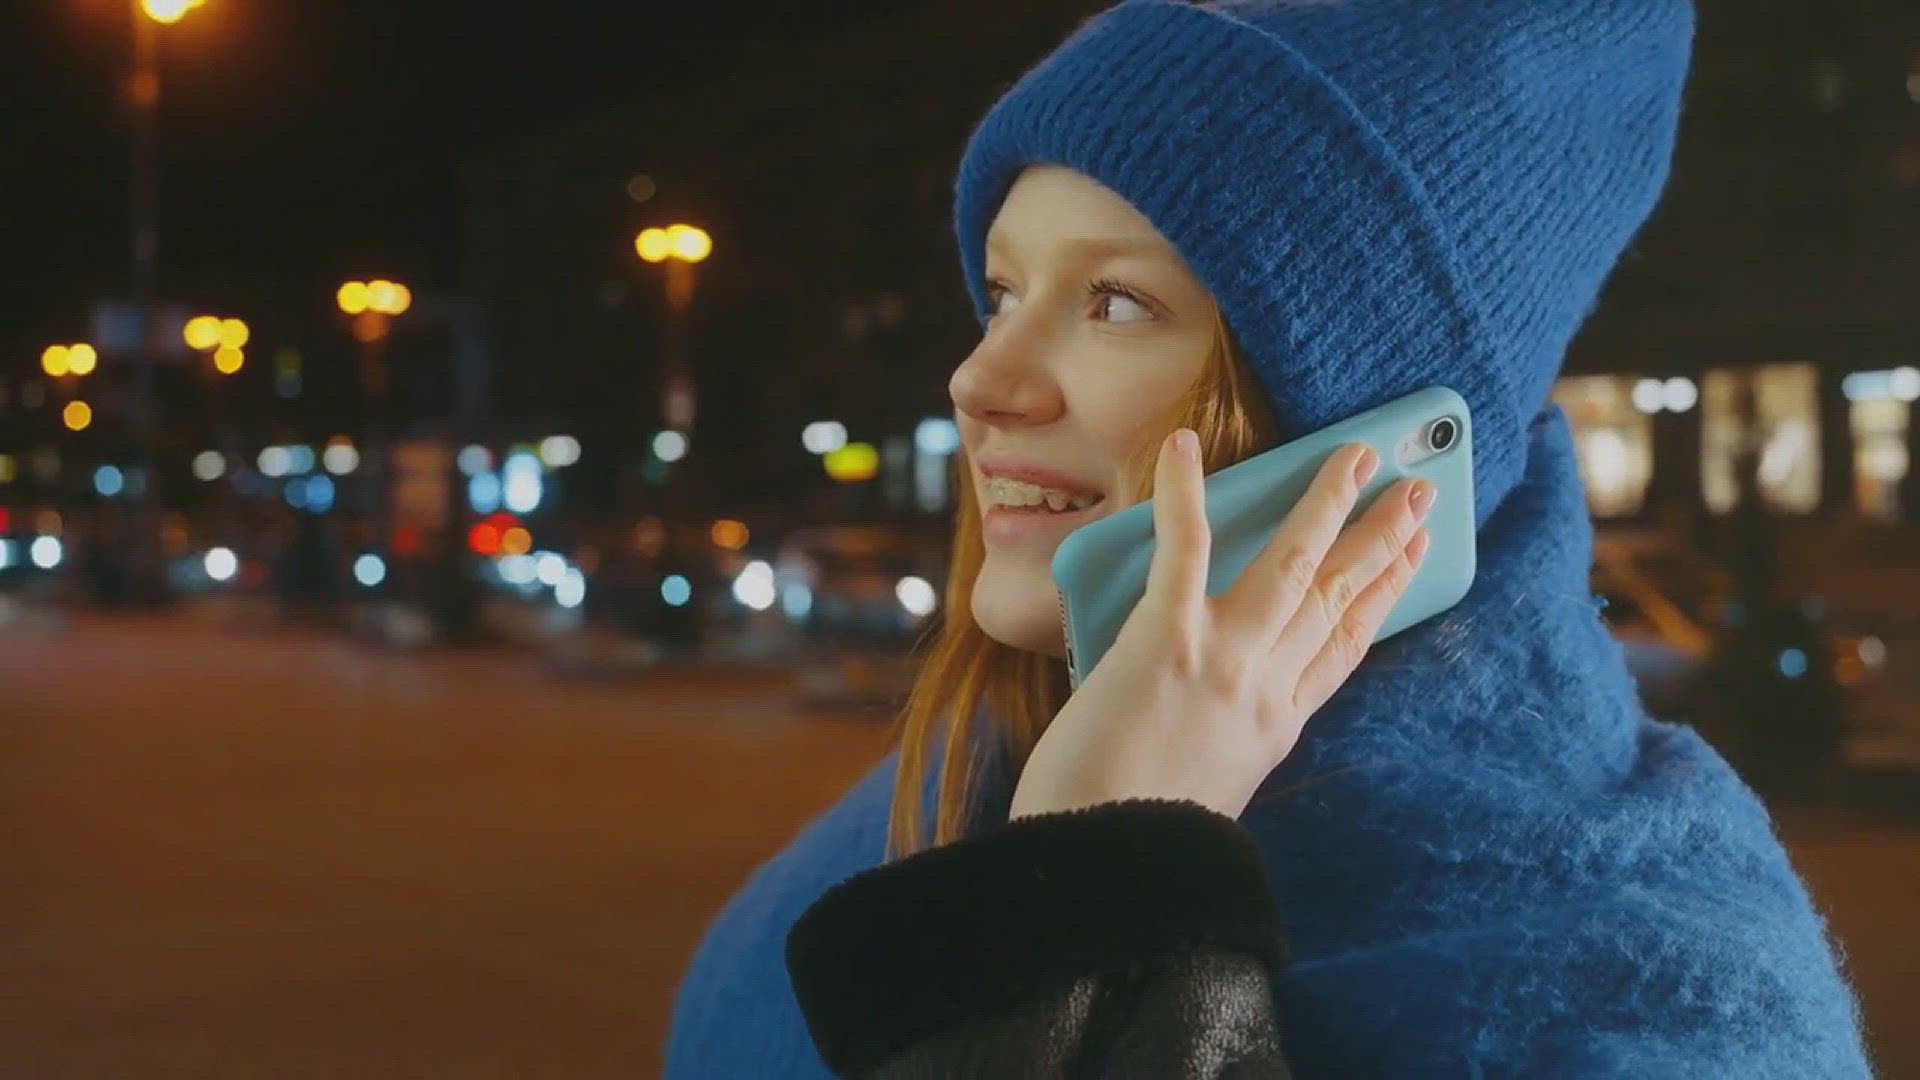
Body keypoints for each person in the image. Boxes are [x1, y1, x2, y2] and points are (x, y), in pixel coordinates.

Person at [668, 0, 1873, 1076]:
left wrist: (1086, 908)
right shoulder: (952, 785)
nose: (980, 378)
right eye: (1002, 293)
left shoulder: (1662, 1001)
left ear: (1370, 427)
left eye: (1116, 302)